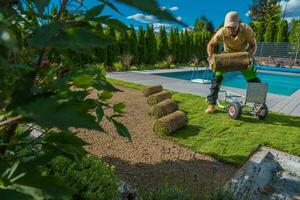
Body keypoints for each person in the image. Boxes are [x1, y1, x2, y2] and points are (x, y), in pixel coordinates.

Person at [205, 11, 261, 114]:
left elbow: (253, 45)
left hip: (243, 55)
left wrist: (249, 57)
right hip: (227, 55)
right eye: (228, 27)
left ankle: (258, 106)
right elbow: (210, 44)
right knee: (216, 78)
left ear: (239, 23)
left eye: (233, 27)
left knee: (253, 79)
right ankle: (211, 105)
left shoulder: (247, 30)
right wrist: (210, 57)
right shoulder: (222, 31)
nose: (230, 30)